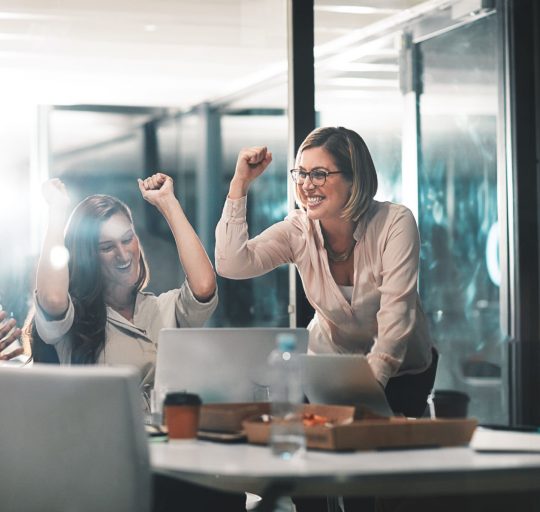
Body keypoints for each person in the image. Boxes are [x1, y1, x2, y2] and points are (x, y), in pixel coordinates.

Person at [215, 126, 437, 511]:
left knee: (369, 486)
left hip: (401, 372)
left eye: (320, 173)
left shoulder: (395, 222)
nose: (306, 184)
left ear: (355, 179)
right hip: (327, 366)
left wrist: (365, 394)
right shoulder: (298, 231)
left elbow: (396, 317)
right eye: (301, 173)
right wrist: (239, 185)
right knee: (311, 483)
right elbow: (232, 264)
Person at [30, 173, 245, 512]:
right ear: (88, 255)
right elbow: (54, 297)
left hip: (174, 462)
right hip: (110, 469)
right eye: (106, 247)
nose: (122, 254)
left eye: (127, 239)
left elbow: (204, 286)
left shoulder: (160, 308)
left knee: (228, 496)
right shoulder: (73, 321)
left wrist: (168, 204)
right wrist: (57, 215)